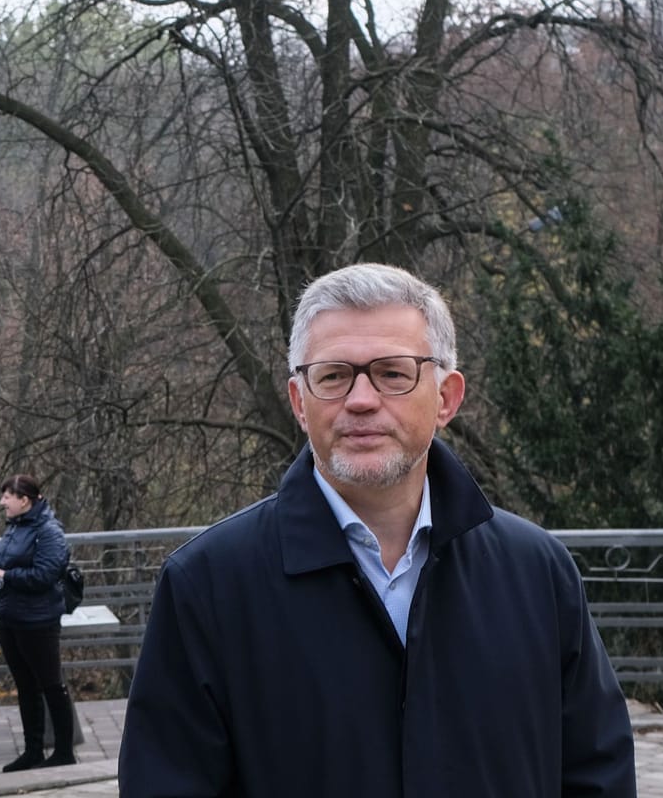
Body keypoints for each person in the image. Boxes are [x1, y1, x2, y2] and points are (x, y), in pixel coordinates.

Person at [119, 263, 636, 797]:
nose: (361, 399)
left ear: (446, 398)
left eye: (393, 372)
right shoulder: (208, 585)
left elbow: (598, 772)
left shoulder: (536, 573)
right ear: (300, 401)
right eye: (333, 375)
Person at [0, 474, 75, 772]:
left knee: (51, 684)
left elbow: (45, 575)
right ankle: (33, 750)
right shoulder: (15, 527)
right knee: (25, 686)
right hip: (10, 617)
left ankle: (64, 751)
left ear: (24, 500)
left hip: (38, 621)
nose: (2, 502)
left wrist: (5, 576)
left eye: (7, 497)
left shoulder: (48, 532)